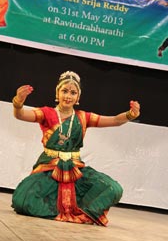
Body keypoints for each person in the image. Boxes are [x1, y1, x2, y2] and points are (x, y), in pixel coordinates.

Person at [11, 71, 140, 226]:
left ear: (78, 97)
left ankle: (82, 212)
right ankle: (61, 211)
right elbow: (20, 115)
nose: (68, 96)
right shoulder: (47, 113)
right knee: (23, 201)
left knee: (113, 189)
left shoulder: (83, 117)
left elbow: (115, 121)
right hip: (49, 168)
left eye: (73, 92)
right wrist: (18, 102)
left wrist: (130, 115)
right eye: (65, 91)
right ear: (57, 93)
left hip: (75, 169)